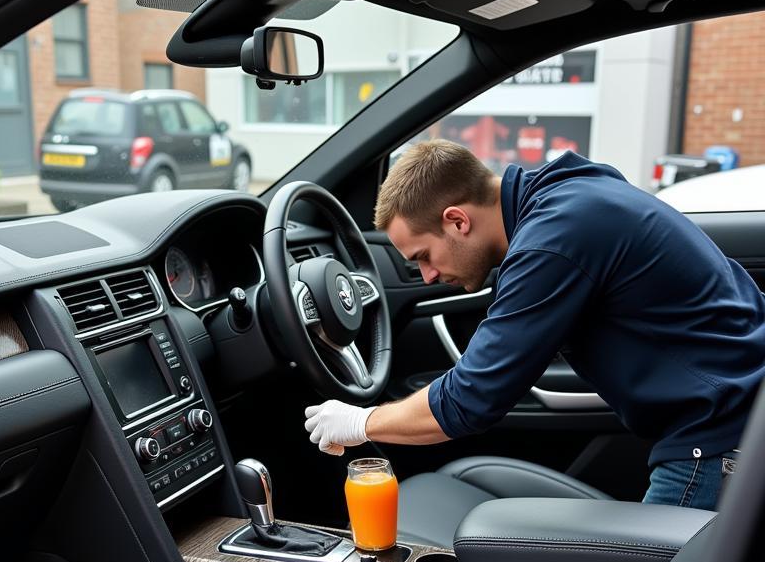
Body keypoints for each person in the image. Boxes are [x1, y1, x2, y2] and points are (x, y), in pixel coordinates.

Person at [304, 140, 765, 509]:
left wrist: (361, 421)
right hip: (733, 421)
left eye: (423, 256)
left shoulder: (551, 242)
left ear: (458, 220)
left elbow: (471, 399)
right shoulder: (568, 193)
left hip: (720, 443)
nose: (427, 276)